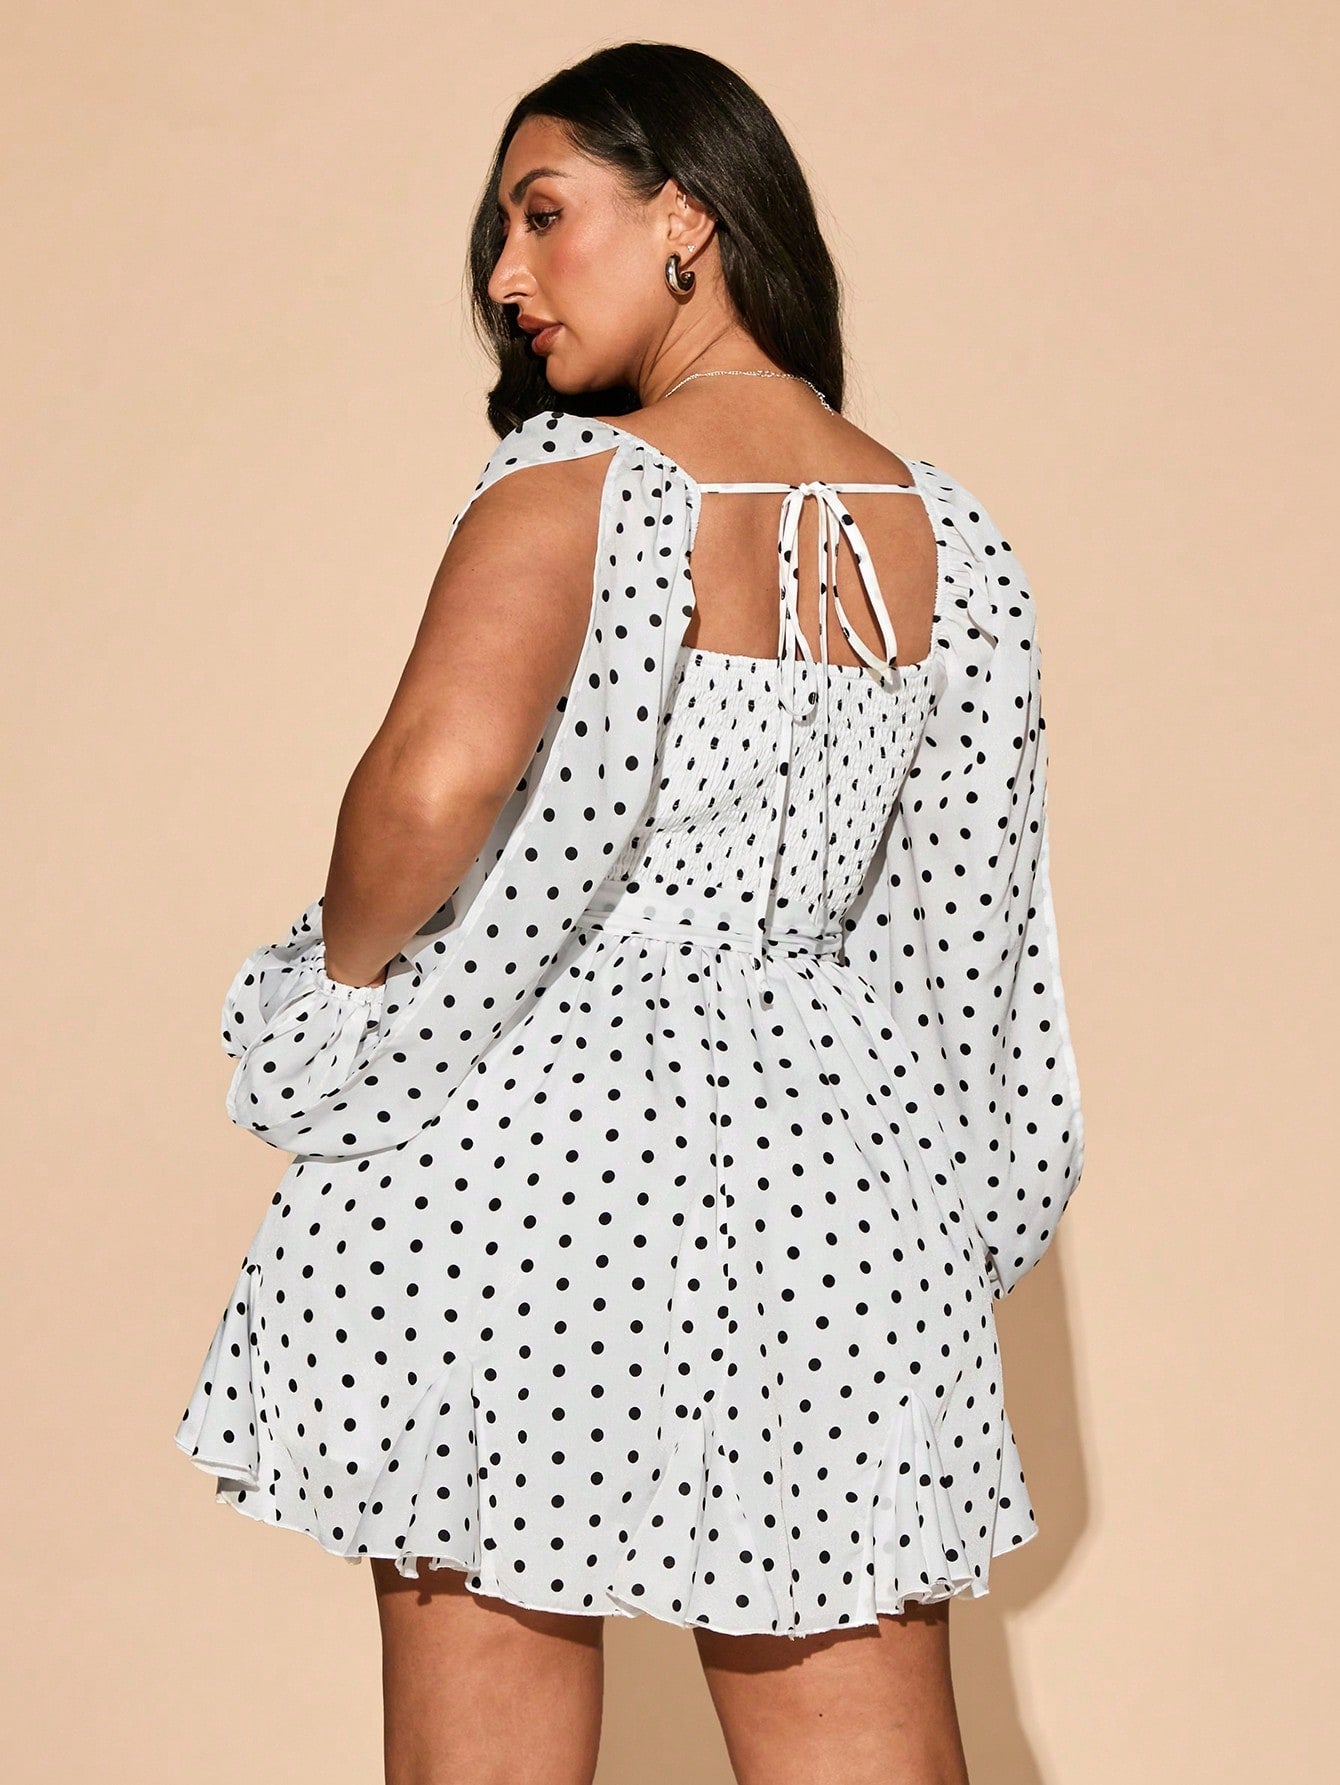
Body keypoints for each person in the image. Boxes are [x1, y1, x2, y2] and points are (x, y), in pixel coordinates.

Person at [174, 41, 1085, 1785]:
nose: (506, 279)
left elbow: (428, 788)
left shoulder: (575, 490)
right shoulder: (947, 537)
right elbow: (969, 916)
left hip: (528, 1160)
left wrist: (345, 988)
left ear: (688, 215)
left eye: (543, 216)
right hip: (837, 1176)